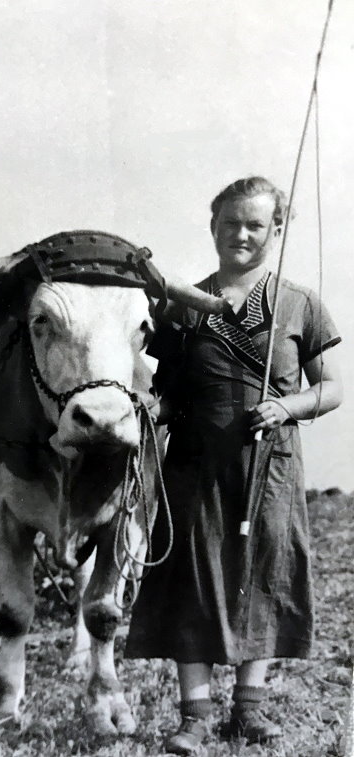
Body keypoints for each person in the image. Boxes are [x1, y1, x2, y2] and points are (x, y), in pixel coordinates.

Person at [124, 176, 343, 752]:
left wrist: (288, 405)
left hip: (270, 467)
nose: (240, 234)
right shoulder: (181, 306)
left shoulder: (299, 302)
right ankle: (193, 716)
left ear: (277, 230)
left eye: (255, 224)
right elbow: (169, 394)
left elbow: (333, 390)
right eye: (230, 223)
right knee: (194, 580)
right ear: (213, 226)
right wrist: (151, 406)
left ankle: (249, 709)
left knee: (264, 576)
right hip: (194, 468)